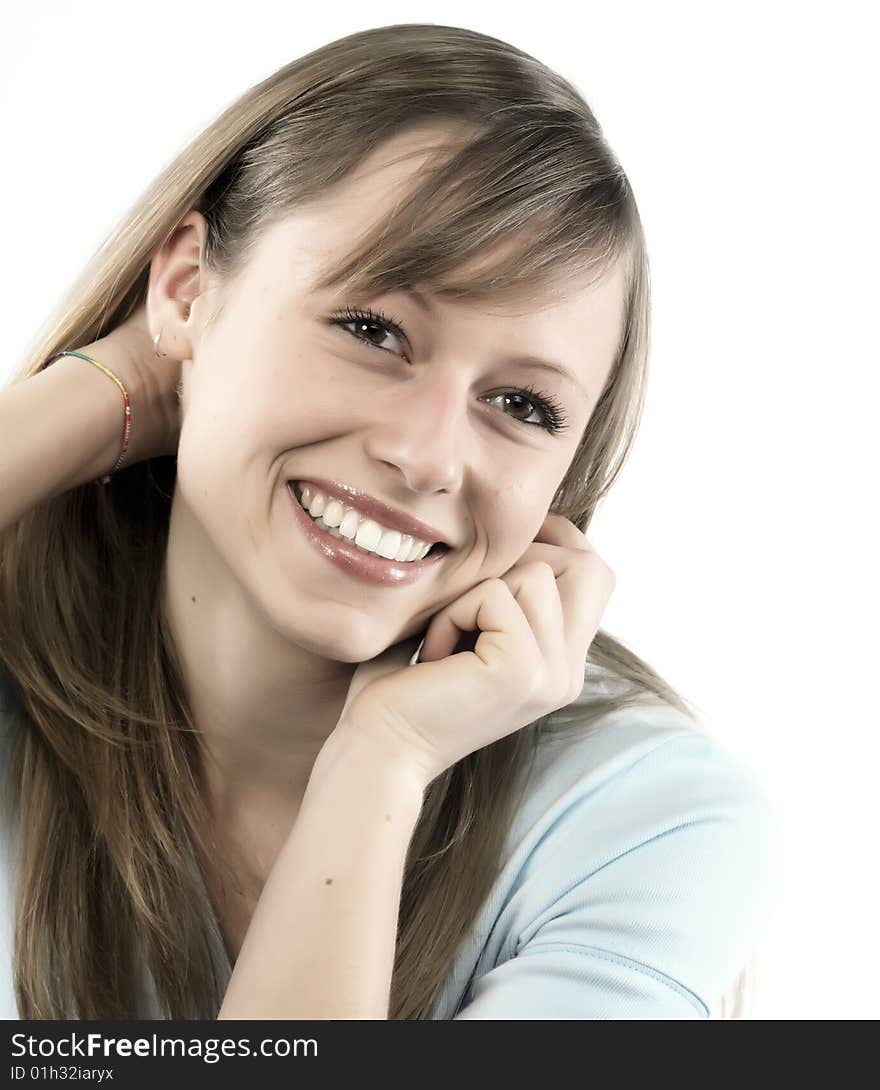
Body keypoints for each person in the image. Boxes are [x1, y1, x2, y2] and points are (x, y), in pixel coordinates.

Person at [0, 23, 779, 1020]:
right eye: (373, 331)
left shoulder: (644, 820)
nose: (425, 454)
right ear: (189, 286)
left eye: (522, 406)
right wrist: (106, 390)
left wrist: (382, 759)